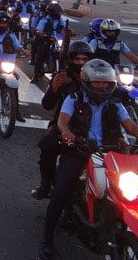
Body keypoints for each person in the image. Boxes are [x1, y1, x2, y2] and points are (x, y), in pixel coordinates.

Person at [38, 59, 138, 260]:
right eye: (96, 82)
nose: (101, 86)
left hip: (109, 154)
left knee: (128, 192)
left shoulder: (115, 103)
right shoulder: (74, 98)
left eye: (104, 82)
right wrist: (67, 134)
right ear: (87, 81)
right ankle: (47, 240)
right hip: (79, 151)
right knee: (61, 192)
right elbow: (63, 121)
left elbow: (130, 126)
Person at [30, 41, 94, 200]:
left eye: (84, 59)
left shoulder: (97, 77)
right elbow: (47, 104)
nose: (81, 63)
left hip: (92, 125)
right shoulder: (62, 77)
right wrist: (54, 88)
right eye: (77, 59)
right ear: (70, 60)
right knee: (47, 145)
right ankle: (46, 185)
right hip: (64, 124)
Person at [32, 3, 70, 82]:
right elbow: (39, 30)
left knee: (66, 54)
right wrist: (41, 33)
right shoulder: (44, 20)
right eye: (58, 12)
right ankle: (36, 76)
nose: (59, 14)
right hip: (46, 40)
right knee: (40, 56)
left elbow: (66, 29)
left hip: (57, 40)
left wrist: (71, 32)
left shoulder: (61, 21)